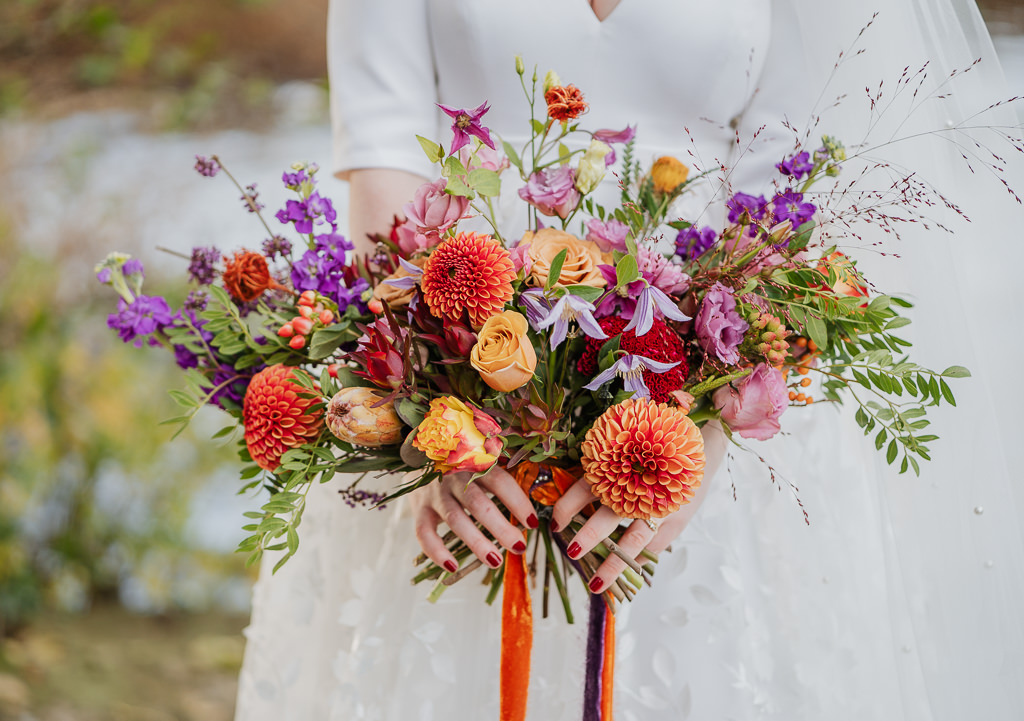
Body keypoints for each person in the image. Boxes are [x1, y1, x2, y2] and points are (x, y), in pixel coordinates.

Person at [234, 1, 1024, 719]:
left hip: (713, 370)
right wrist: (439, 423)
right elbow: (384, 155)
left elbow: (789, 167)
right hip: (453, 360)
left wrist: (708, 430)